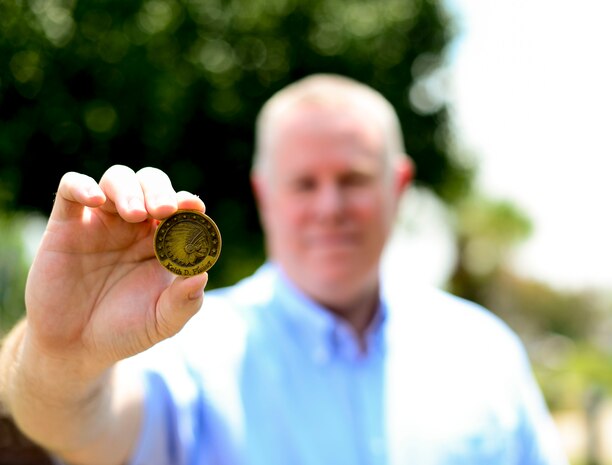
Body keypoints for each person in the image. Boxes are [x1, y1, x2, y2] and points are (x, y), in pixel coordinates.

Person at [0, 74, 568, 465]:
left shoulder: (484, 349)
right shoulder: (189, 346)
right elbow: (79, 427)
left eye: (353, 179)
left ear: (397, 186)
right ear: (264, 194)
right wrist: (61, 356)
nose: (329, 207)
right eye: (304, 183)